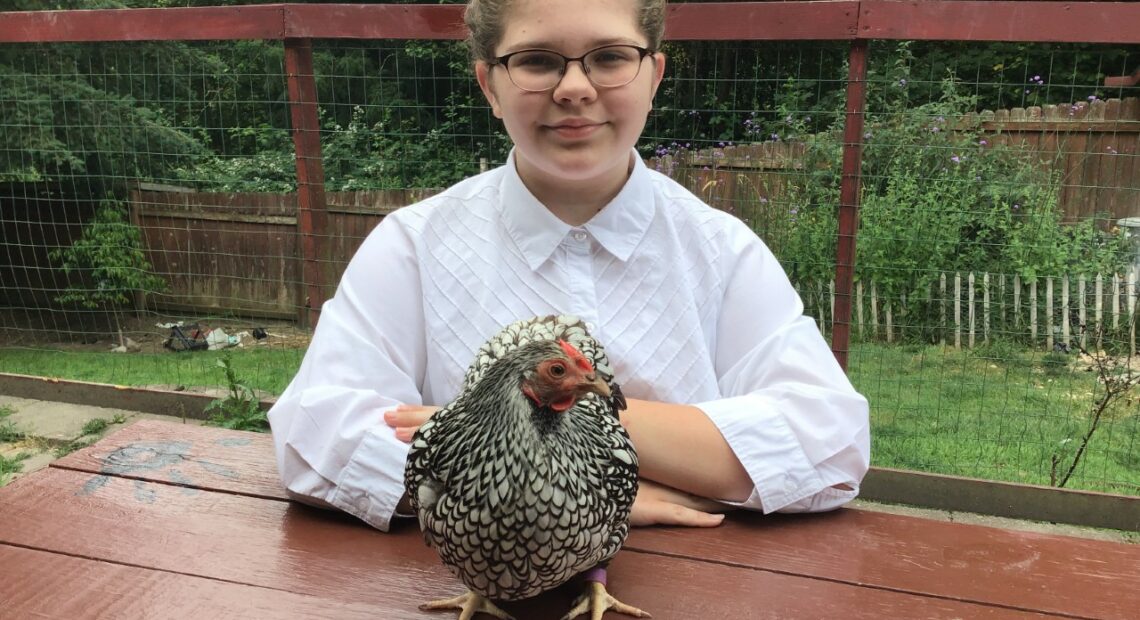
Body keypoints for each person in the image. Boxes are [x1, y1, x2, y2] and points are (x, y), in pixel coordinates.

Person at [268, 0, 870, 533]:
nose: (575, 88)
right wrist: (596, 495)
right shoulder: (413, 246)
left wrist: (490, 443)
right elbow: (318, 435)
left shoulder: (722, 251)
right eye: (536, 60)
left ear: (654, 75)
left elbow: (827, 442)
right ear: (489, 85)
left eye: (609, 57)